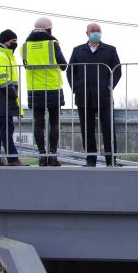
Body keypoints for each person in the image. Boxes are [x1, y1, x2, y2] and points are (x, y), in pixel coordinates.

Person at [68, 22, 122, 167]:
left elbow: (117, 70)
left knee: (108, 129)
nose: (95, 33)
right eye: (93, 31)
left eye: (98, 30)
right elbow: (70, 71)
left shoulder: (110, 50)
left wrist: (110, 86)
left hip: (104, 96)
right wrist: (76, 87)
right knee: (87, 129)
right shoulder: (78, 51)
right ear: (87, 33)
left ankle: (111, 160)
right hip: (83, 96)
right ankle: (90, 159)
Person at [21, 17, 67, 166]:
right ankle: (52, 155)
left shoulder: (25, 46)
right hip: (52, 86)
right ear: (49, 29)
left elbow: (26, 65)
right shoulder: (52, 43)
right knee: (54, 122)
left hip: (34, 88)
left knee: (38, 123)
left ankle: (42, 155)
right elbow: (63, 65)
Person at [0, 30, 23, 167]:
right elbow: (2, 79)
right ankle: (13, 159)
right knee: (6, 128)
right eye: (13, 41)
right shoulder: (1, 55)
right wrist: (12, 93)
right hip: (2, 95)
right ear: (6, 41)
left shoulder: (2, 54)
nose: (15, 44)